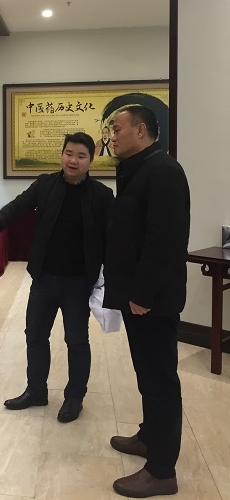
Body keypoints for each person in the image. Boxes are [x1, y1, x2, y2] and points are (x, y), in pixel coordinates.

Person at [0, 132, 114, 422]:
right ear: (62, 155)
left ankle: (75, 397)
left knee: (76, 340)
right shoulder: (45, 184)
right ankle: (36, 391)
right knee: (35, 335)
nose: (73, 160)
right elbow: (18, 205)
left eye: (81, 156)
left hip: (78, 282)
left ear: (91, 161)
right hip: (43, 279)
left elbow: (113, 238)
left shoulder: (102, 196)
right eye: (69, 153)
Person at [103, 106, 190, 498]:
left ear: (141, 130)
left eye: (116, 128)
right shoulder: (139, 169)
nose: (111, 135)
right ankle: (150, 437)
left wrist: (142, 294)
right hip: (138, 298)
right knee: (147, 374)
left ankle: (161, 471)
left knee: (160, 381)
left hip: (151, 301)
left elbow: (164, 241)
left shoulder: (164, 171)